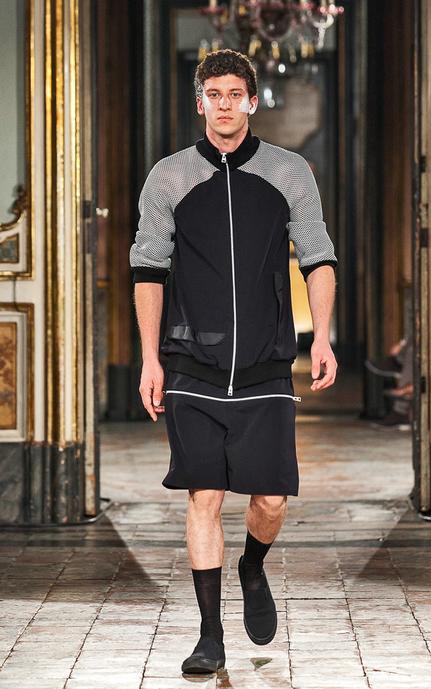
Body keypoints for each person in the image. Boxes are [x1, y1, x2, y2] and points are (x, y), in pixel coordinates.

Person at [130, 48, 338, 674]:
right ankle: (209, 635)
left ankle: (252, 565)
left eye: (234, 94)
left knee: (270, 500)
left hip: (266, 360)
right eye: (213, 94)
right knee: (205, 495)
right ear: (200, 102)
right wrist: (150, 359)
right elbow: (148, 268)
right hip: (190, 358)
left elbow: (318, 256)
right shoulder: (169, 177)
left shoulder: (289, 172)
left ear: (251, 101)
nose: (224, 104)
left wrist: (322, 337)